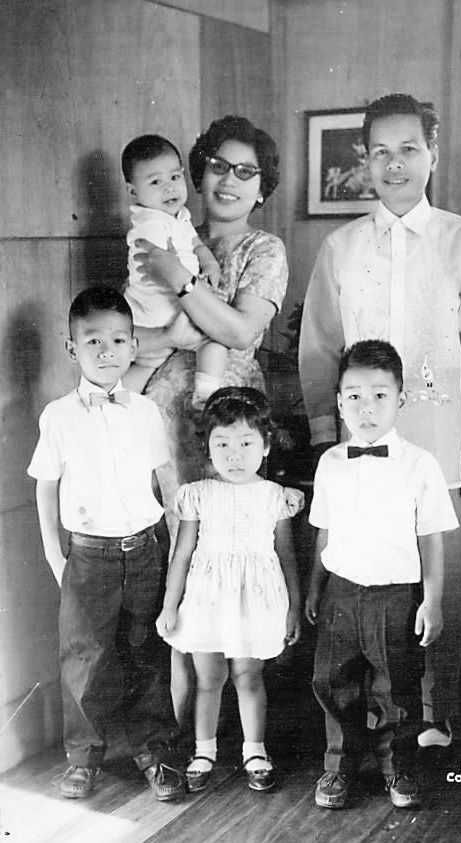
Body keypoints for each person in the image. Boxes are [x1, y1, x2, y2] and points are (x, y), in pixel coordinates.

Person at [299, 93, 461, 748]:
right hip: (360, 450)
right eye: (381, 152)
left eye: (409, 150)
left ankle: (433, 713)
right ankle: (370, 714)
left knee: (437, 580)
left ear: (433, 155)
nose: (395, 165)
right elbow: (317, 347)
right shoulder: (339, 248)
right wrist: (320, 435)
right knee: (365, 581)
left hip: (442, 444)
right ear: (365, 159)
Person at [131, 115, 288, 729]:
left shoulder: (262, 249)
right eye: (219, 165)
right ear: (197, 172)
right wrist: (167, 328)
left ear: (262, 185)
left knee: (234, 555)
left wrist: (185, 286)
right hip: (159, 417)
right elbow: (133, 333)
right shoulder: (162, 229)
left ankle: (241, 731)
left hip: (227, 424)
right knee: (180, 556)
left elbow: (242, 330)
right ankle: (184, 735)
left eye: (246, 172)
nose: (229, 180)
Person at [27, 286, 183, 801]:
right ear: (72, 348)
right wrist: (56, 554)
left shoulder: (145, 412)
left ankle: (154, 751)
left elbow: (167, 478)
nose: (106, 351)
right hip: (87, 555)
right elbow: (45, 486)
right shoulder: (58, 417)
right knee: (85, 657)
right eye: (93, 341)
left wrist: (179, 541)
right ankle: (84, 756)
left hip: (144, 550)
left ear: (134, 346)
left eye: (119, 339)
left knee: (145, 651)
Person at [306, 340, 459, 809]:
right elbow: (322, 533)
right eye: (353, 396)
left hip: (395, 596)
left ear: (401, 400)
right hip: (340, 594)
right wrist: (315, 588)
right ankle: (340, 765)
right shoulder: (331, 463)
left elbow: (432, 537)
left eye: (379, 396)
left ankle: (398, 765)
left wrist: (431, 600)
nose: (365, 408)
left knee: (396, 684)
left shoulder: (420, 465)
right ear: (338, 401)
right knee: (335, 683)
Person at [155, 387, 303, 792]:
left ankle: (255, 750)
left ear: (266, 445)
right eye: (222, 444)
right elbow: (182, 555)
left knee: (249, 676)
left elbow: (287, 556)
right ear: (207, 447)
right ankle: (204, 750)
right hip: (206, 598)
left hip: (256, 599)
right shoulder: (198, 495)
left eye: (245, 443)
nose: (234, 454)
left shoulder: (275, 497)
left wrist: (294, 606)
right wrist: (171, 605)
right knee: (209, 677)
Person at [121, 134, 225, 406]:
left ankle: (113, 405)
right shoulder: (148, 224)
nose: (169, 188)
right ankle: (205, 396)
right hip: (159, 313)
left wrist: (209, 261)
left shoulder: (179, 216)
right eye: (155, 182)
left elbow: (194, 242)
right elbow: (158, 268)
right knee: (212, 342)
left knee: (146, 366)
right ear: (133, 192)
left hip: (165, 315)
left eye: (175, 178)